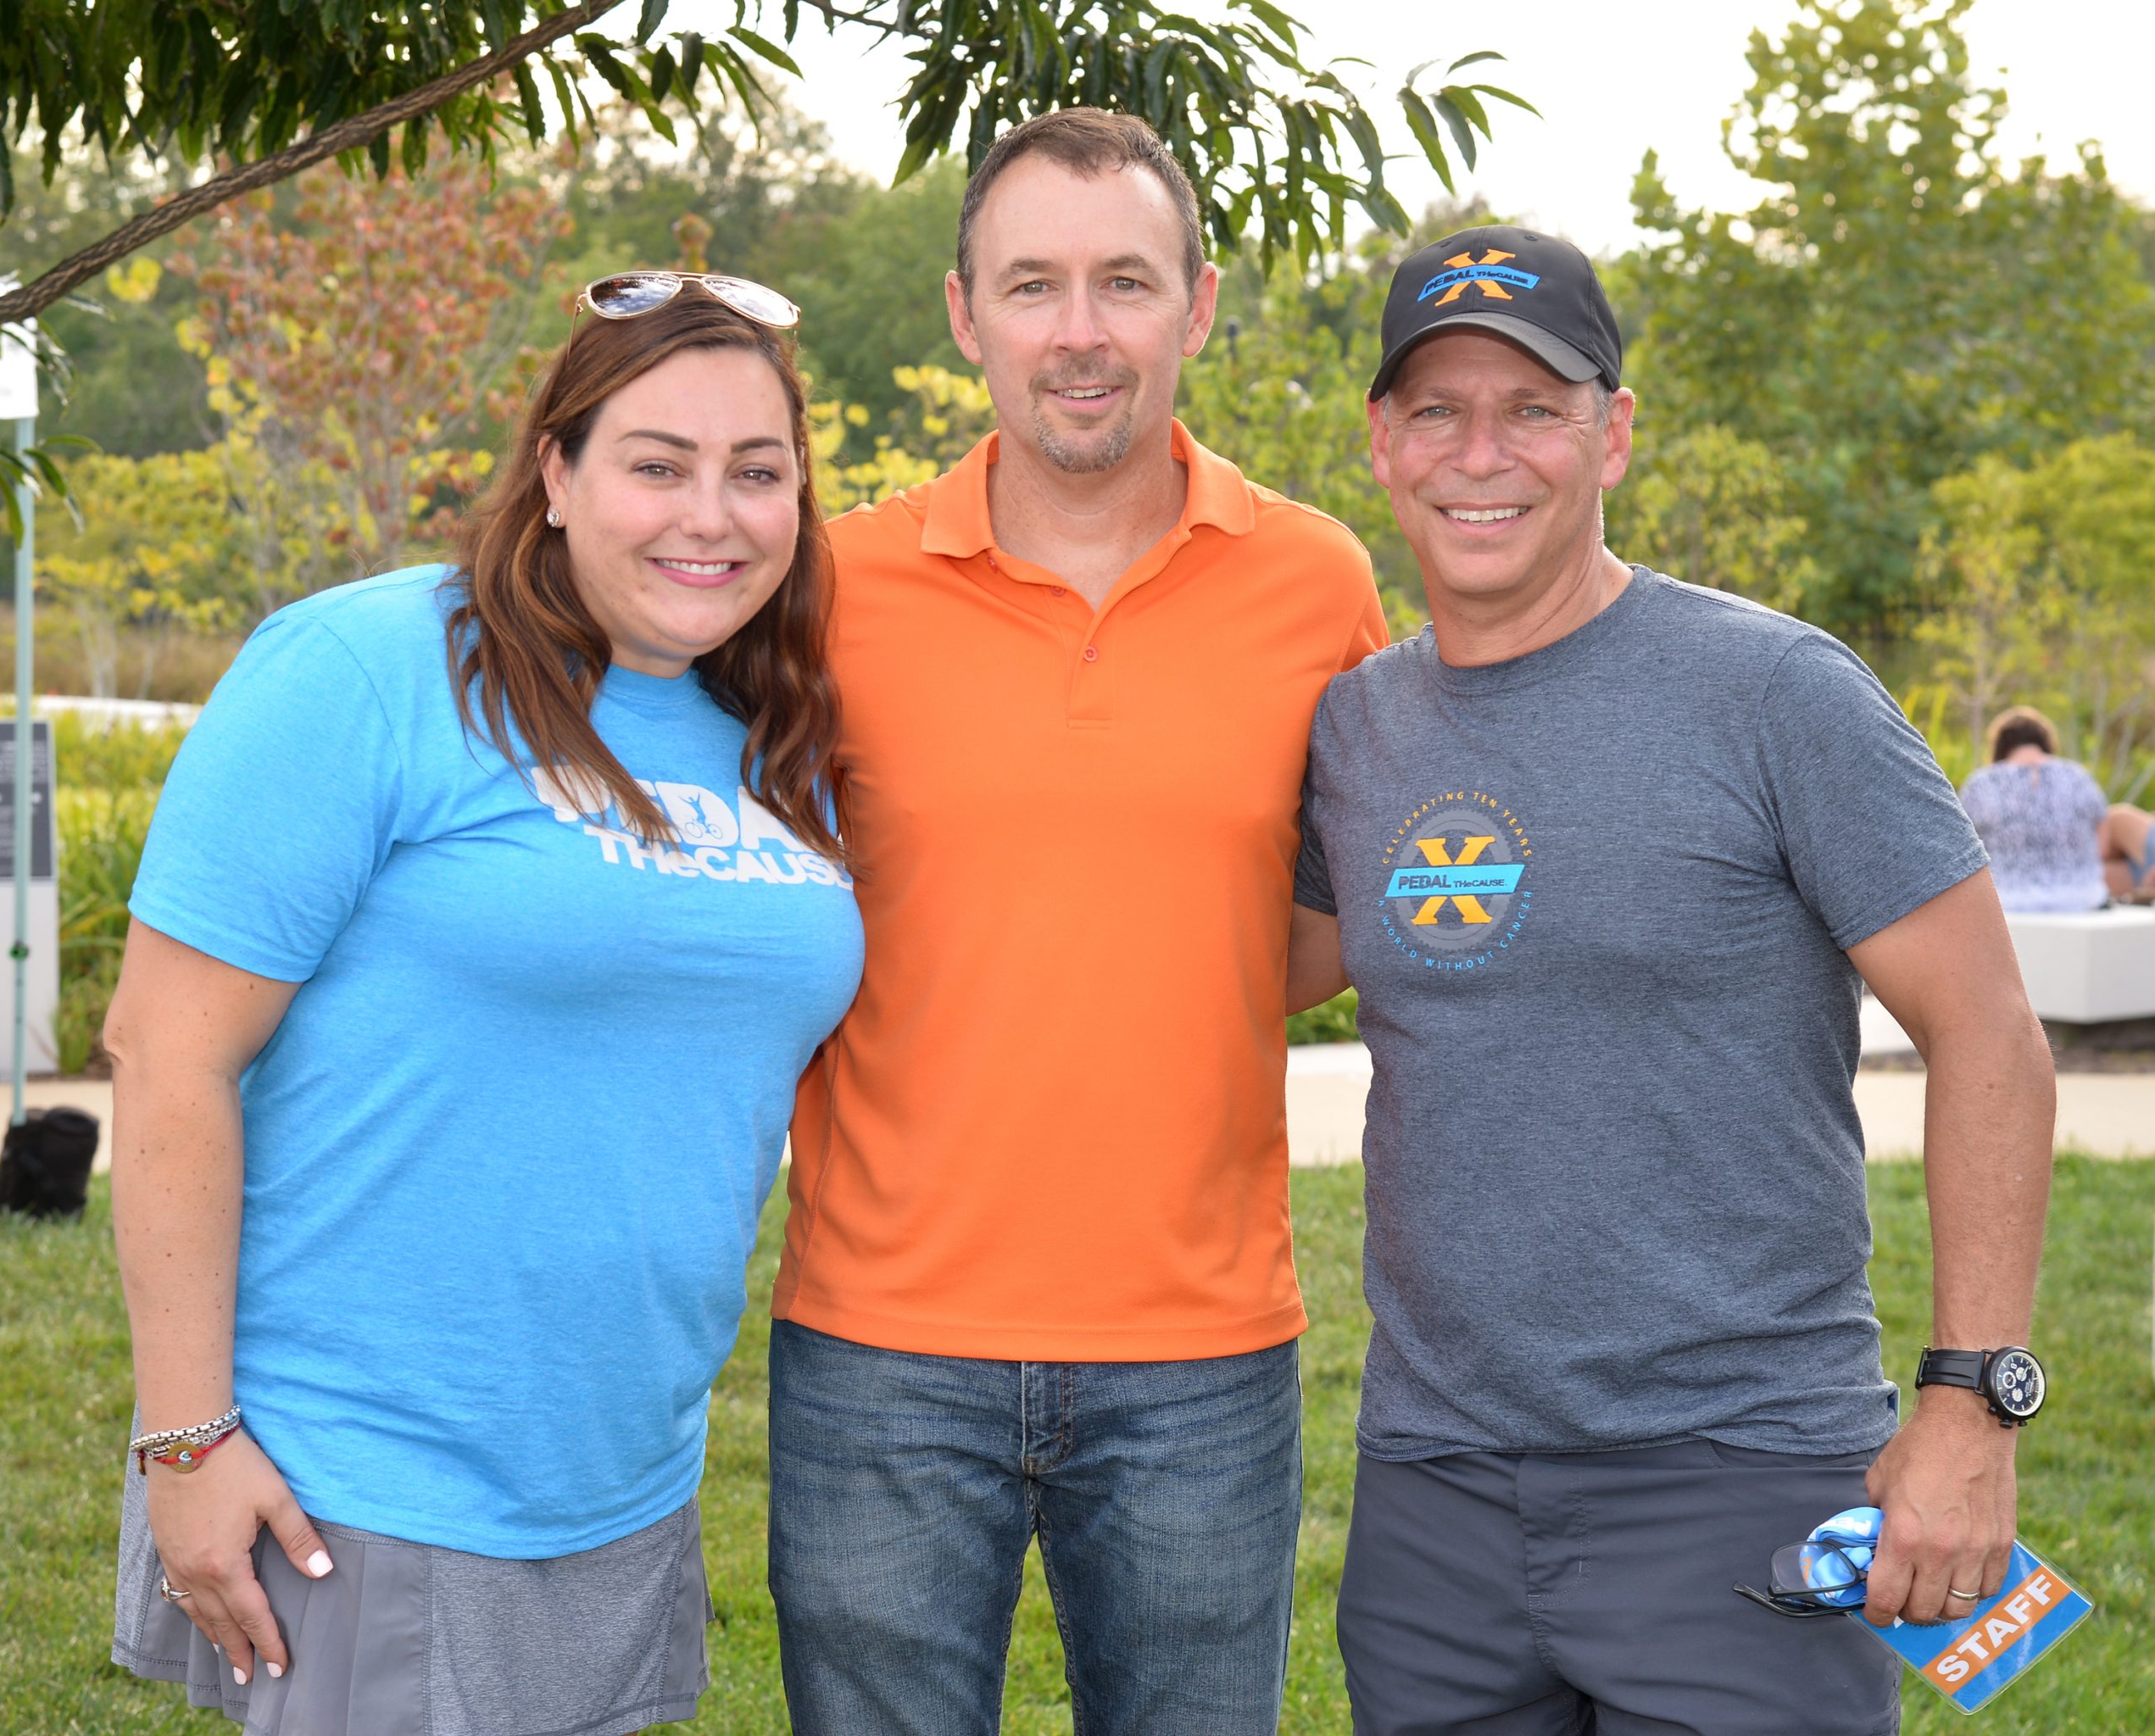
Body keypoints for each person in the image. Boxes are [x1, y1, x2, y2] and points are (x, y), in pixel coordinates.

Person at [1286, 225, 2058, 1735]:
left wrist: (1972, 1403)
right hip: (1436, 1497)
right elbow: (1245, 972)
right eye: (1439, 410)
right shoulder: (1356, 731)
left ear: (1616, 433)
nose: (1481, 454)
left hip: (1740, 1476)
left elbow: (1990, 1036)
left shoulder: (1776, 694)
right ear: (1381, 441)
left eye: (1535, 408)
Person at [107, 275, 862, 1736]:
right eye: (658, 465)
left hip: (619, 1481)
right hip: (366, 1474)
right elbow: (165, 1052)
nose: (711, 516)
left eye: (758, 472)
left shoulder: (776, 731)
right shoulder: (371, 667)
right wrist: (187, 1438)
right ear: (557, 474)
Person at [766, 109, 1387, 1734]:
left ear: (1198, 305)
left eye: (1126, 281)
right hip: (881, 1342)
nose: (1081, 330)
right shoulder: (831, 586)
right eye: (1033, 284)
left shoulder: (1317, 581)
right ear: (965, 314)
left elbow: (1344, 910)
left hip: (1201, 1349)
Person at [1960, 704, 2155, 910]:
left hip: (2006, 902)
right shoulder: (2078, 776)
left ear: (1999, 747)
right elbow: (2102, 849)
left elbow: (1964, 855)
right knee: (2119, 824)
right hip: (2082, 899)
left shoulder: (1980, 784)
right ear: (2046, 742)